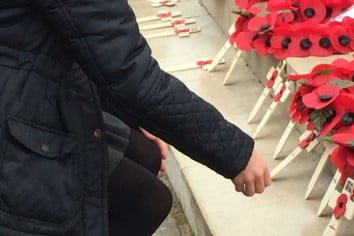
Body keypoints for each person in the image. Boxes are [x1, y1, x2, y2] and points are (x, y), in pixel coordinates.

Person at [0, 1, 271, 236]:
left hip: (31, 80)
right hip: (17, 112)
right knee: (146, 204)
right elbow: (129, 73)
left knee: (144, 152)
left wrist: (126, 110)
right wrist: (236, 153)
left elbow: (86, 42)